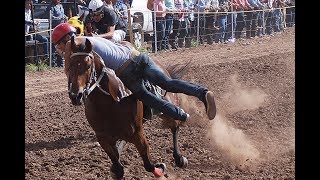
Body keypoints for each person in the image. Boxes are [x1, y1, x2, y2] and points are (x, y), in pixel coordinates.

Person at [52, 23, 217, 122]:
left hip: (127, 72)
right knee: (168, 83)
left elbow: (69, 70)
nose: (59, 49)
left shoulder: (73, 44)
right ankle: (202, 93)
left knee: (150, 99)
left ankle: (181, 116)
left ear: (66, 39)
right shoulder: (93, 41)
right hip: (137, 58)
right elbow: (122, 41)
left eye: (58, 44)